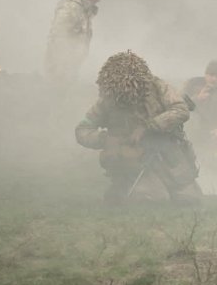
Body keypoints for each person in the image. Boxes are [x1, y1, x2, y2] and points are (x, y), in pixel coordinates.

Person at [75, 50, 203, 205]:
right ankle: (121, 190)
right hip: (134, 161)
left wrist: (148, 127)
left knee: (189, 199)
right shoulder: (107, 100)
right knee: (152, 198)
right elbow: (83, 129)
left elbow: (180, 110)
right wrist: (106, 139)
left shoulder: (158, 87)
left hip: (168, 155)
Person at [46, 0, 101, 81]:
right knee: (57, 89)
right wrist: (61, 61)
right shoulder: (71, 6)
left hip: (71, 65)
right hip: (61, 64)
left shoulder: (84, 9)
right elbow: (59, 33)